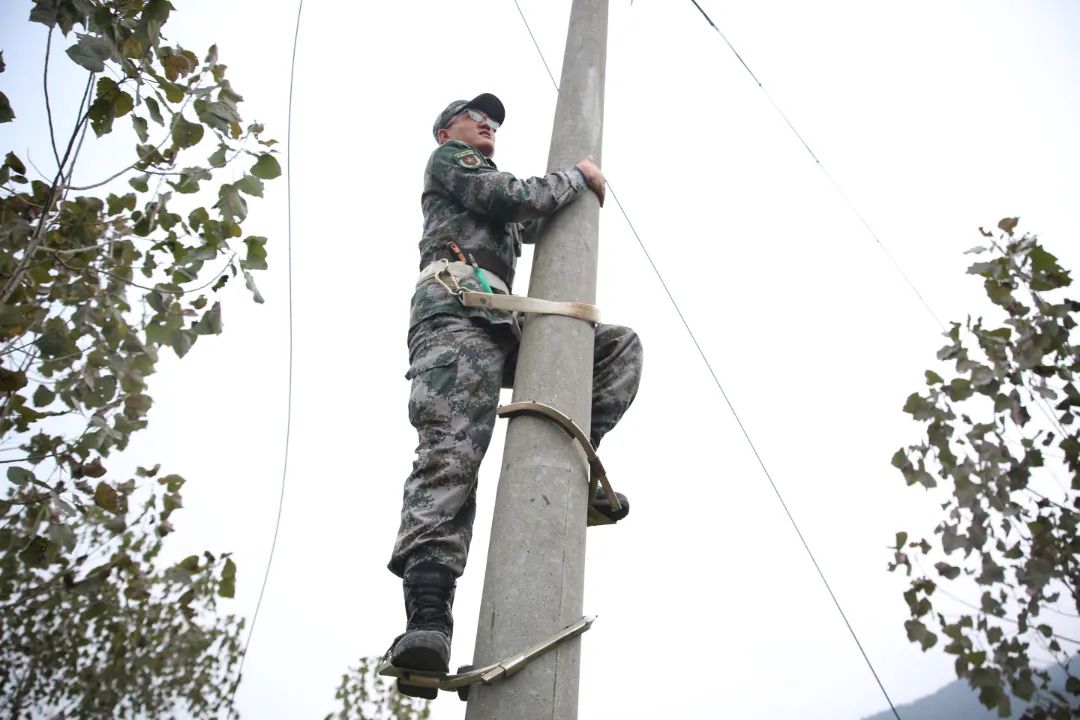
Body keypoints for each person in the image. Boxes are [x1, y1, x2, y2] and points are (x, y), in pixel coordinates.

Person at [387, 92, 643, 688]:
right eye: (476, 116)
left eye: (495, 121)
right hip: (455, 321)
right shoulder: (451, 162)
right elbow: (517, 198)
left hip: (502, 321)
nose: (487, 125)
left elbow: (531, 215)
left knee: (617, 347)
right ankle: (428, 623)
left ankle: (569, 465)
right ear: (446, 128)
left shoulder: (485, 180)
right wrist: (575, 176)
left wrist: (569, 199)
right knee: (450, 458)